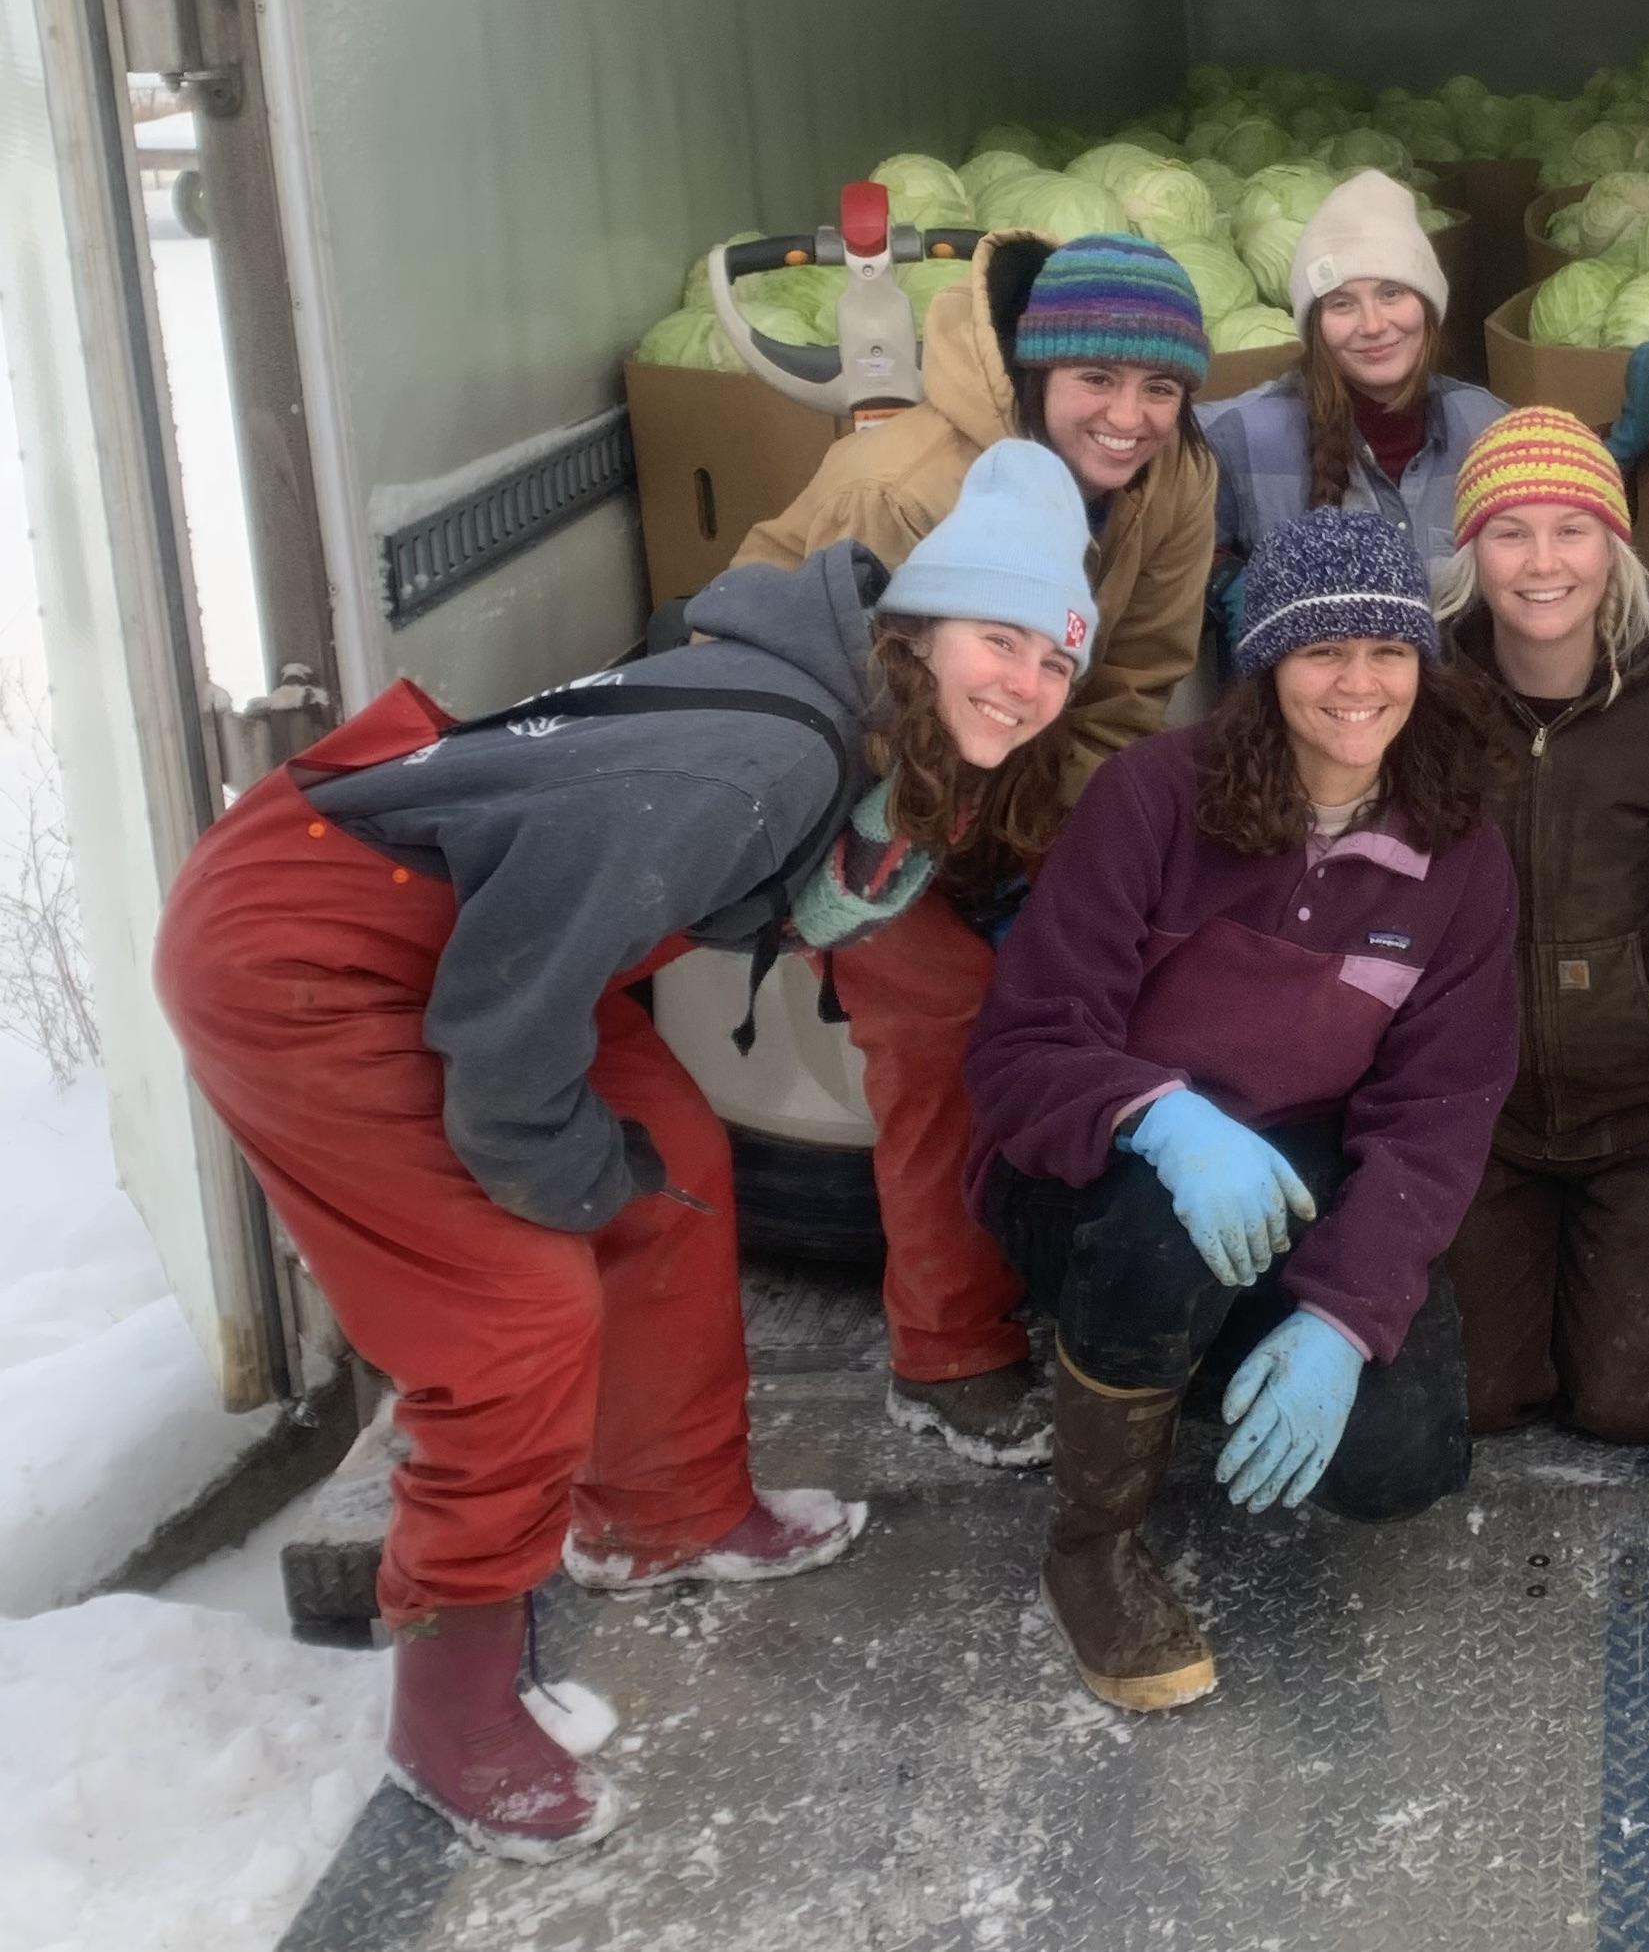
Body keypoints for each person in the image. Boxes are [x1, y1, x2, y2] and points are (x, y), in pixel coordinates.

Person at [150, 442, 1101, 1861]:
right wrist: (560, 1179)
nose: (1025, 682)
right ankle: (452, 1714)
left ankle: (661, 1510)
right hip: (314, 944)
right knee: (514, 1316)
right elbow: (506, 1026)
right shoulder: (769, 759)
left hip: (467, 923)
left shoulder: (854, 719)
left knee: (678, 1160)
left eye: (1054, 660)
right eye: (1000, 638)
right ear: (915, 628)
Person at [964, 507, 1519, 1711]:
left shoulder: (1459, 853)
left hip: (1297, 1158)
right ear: (1267, 663)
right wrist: (1160, 1118)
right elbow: (1022, 1050)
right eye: (1323, 651)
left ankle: (1192, 1371)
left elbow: (1437, 1113)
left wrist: (1342, 1319)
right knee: (1163, 1240)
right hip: (1099, 1163)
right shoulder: (1152, 798)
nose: (1358, 684)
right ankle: (1091, 1541)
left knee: (1402, 1465)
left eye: (1387, 652)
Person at [735, 231, 1218, 1464]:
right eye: (1096, 384)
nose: (1128, 417)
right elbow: (779, 667)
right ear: (1037, 372)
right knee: (948, 1018)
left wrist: (1058, 854)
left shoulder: (1176, 482)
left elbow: (1135, 683)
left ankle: (1101, 1276)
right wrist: (936, 852)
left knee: (1137, 966)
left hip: (1024, 757)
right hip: (853, 771)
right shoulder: (901, 481)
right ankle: (946, 1350)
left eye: (1159, 389)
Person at [1429, 406, 1649, 1444]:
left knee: (1632, 1406)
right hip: (1483, 1117)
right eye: (1510, 531)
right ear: (1471, 553)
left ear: (1614, 547)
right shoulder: (1424, 703)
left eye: (1572, 528)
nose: (1543, 561)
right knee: (1480, 1401)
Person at [1203, 168, 1507, 606]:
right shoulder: (1242, 438)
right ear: (1316, 326)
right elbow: (1160, 544)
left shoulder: (1488, 428)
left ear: (1427, 307)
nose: (1373, 325)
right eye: (1342, 304)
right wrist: (1227, 586)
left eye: (1391, 294)